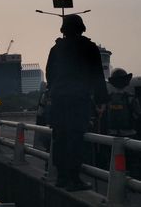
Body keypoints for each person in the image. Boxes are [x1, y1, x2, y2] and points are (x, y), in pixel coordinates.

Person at [46, 14, 108, 191]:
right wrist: (101, 101)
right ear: (81, 29)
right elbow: (97, 76)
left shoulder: (55, 49)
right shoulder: (89, 47)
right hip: (78, 99)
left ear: (64, 30)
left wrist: (54, 89)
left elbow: (49, 73)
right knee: (75, 136)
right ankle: (74, 178)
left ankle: (61, 177)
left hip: (58, 99)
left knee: (59, 136)